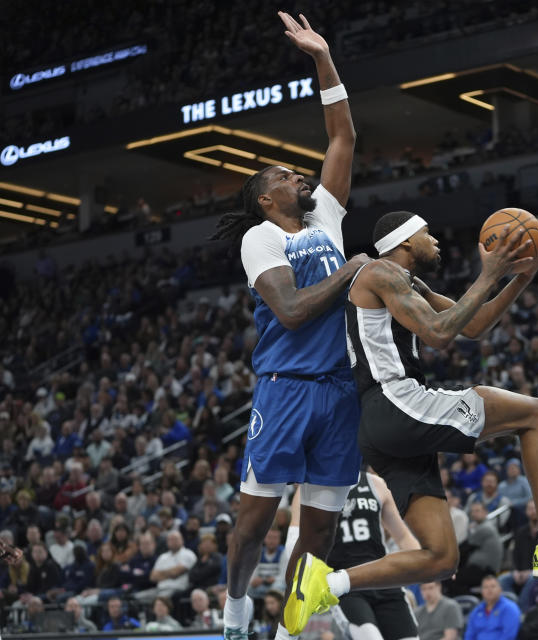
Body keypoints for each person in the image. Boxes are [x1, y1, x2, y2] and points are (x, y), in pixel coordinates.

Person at [286, 210, 538, 630]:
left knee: (441, 558)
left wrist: (520, 276)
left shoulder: (406, 281)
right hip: (396, 402)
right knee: (535, 413)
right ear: (405, 243)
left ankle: (328, 583)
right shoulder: (378, 272)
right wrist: (488, 272)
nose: (435, 240)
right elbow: (439, 334)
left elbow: (472, 324)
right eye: (427, 232)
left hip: (380, 425)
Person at [209, 12, 367, 640]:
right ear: (267, 198)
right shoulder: (261, 236)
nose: (297, 176)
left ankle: (286, 628)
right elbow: (294, 311)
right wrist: (354, 267)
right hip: (286, 384)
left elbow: (343, 138)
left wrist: (323, 59)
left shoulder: (324, 217)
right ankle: (236, 603)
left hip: (337, 389)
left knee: (321, 530)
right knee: (254, 524)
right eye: (282, 177)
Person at [321, 472, 420, 640]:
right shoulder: (318, 483)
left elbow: (402, 535)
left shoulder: (376, 484)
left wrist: (429, 562)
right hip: (346, 582)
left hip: (383, 578)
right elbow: (299, 534)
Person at [464, 575, 522, 640]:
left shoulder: (510, 608)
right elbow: (469, 635)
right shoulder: (476, 611)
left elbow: (509, 636)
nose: (489, 590)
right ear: (481, 591)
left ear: (500, 589)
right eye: (485, 587)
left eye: (493, 586)